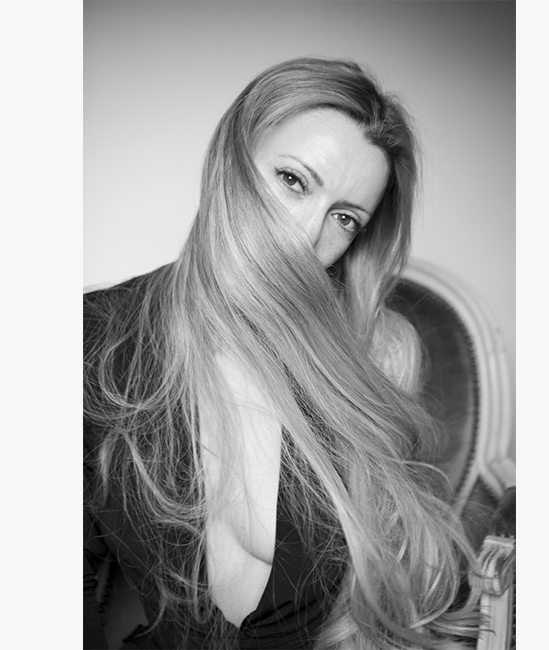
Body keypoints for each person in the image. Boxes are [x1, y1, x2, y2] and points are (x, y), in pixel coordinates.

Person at [84, 57, 493, 649]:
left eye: (345, 219)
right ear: (229, 160)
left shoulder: (375, 349)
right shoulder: (95, 338)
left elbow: (394, 596)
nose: (305, 236)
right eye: (293, 181)